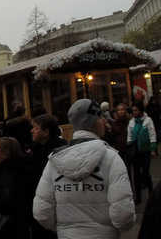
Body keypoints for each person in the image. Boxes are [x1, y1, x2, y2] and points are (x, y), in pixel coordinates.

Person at [34, 98, 135, 238]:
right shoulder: (111, 158)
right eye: (100, 118)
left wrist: (65, 229)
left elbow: (41, 211)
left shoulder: (54, 160)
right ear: (91, 124)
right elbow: (123, 214)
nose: (105, 121)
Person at [0, 137, 33, 238]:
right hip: (21, 223)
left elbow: (5, 203)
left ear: (5, 154)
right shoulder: (23, 168)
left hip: (9, 227)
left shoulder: (6, 174)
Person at [127, 100, 157, 203]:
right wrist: (129, 147)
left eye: (136, 110)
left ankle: (151, 192)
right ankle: (138, 197)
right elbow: (129, 136)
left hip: (145, 150)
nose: (134, 112)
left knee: (145, 172)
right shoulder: (131, 122)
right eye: (133, 110)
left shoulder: (148, 120)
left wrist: (153, 148)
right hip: (135, 152)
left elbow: (152, 134)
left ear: (141, 111)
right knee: (136, 174)